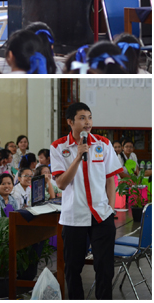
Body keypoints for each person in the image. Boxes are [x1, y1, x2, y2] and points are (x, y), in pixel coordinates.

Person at [50, 102, 123, 300]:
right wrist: (78, 156)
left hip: (101, 214)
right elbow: (62, 184)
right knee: (73, 268)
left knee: (105, 267)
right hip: (74, 216)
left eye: (89, 117)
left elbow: (110, 179)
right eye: (82, 118)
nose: (87, 122)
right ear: (70, 122)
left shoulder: (103, 143)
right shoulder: (58, 147)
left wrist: (110, 207)